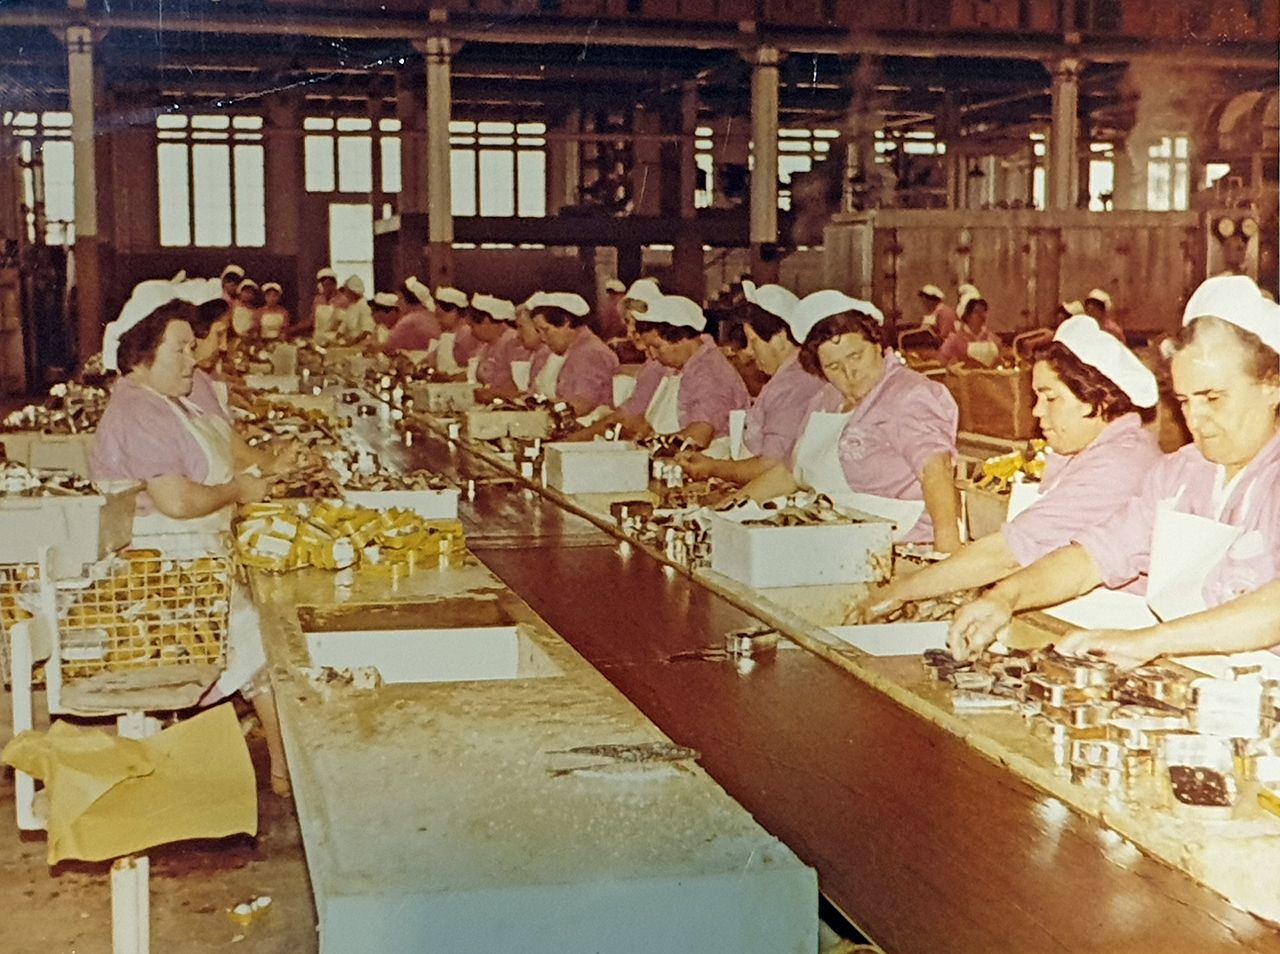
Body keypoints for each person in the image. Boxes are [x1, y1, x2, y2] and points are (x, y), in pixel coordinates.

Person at [949, 275, 1280, 666]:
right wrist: (1003, 597)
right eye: (1185, 401)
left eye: (1213, 398)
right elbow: (1092, 556)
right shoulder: (1178, 474)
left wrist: (1152, 640)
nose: (1197, 419)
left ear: (1272, 386)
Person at [92, 283, 301, 795]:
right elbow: (177, 501)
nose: (193, 360)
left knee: (266, 639)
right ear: (143, 353)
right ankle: (286, 769)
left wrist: (257, 479)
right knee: (265, 644)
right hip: (164, 568)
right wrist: (238, 489)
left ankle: (281, 764)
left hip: (195, 558)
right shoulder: (140, 410)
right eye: (181, 349)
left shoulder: (168, 403)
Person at [849, 314, 1162, 622]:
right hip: (1071, 612)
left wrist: (901, 591)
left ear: (1097, 402)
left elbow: (1008, 555)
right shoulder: (1090, 449)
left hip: (1110, 622)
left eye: (1049, 398)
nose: (1037, 411)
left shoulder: (1119, 465)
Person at [737, 289, 962, 552]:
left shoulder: (909, 394)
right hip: (840, 541)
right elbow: (791, 471)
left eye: (855, 356)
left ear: (878, 344)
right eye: (833, 367)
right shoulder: (826, 399)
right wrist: (732, 507)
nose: (849, 373)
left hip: (902, 547)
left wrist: (947, 552)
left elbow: (936, 471)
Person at [678, 280, 831, 485]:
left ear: (780, 337)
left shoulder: (795, 385)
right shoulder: (785, 378)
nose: (749, 352)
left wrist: (713, 468)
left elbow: (771, 465)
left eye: (754, 341)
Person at [628, 294, 750, 448]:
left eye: (657, 347)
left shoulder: (710, 373)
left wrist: (650, 444)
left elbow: (698, 436)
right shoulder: (679, 368)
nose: (652, 356)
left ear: (681, 338)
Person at [527, 292, 619, 416]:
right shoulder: (570, 351)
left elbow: (582, 404)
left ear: (566, 322)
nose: (542, 338)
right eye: (539, 331)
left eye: (546, 330)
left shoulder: (591, 353)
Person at [471, 294, 528, 395]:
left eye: (473, 326)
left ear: (486, 322)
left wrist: (494, 394)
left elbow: (521, 387)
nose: (471, 332)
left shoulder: (512, 341)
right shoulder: (485, 346)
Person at [939, 291, 1001, 367]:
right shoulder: (955, 339)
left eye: (984, 311)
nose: (981, 315)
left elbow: (999, 360)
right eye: (977, 312)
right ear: (967, 316)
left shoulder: (993, 338)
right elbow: (942, 360)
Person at [381, 276, 441, 353]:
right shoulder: (429, 315)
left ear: (410, 299)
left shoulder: (410, 320)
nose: (397, 303)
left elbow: (387, 346)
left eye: (400, 298)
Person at [431, 286, 479, 375]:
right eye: (437, 316)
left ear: (456, 312)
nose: (438, 321)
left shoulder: (467, 333)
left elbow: (471, 367)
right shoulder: (445, 334)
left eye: (441, 316)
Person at [285, 266, 339, 339]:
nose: (326, 288)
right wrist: (293, 329)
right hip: (318, 338)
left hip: (334, 339)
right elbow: (311, 321)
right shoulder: (318, 300)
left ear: (334, 284)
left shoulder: (343, 300)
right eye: (324, 285)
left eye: (328, 284)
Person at [322, 275, 374, 345]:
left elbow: (367, 331)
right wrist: (334, 340)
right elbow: (344, 326)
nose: (345, 294)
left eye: (347, 291)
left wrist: (355, 340)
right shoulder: (351, 306)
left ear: (353, 292)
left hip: (359, 346)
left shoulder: (364, 307)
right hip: (348, 344)